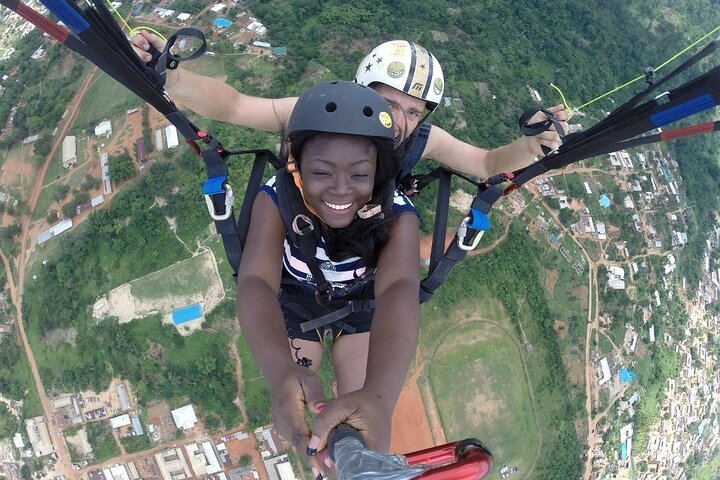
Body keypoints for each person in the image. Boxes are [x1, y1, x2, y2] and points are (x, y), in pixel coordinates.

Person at [235, 81, 420, 478]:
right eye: (321, 171)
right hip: (300, 299)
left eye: (359, 174)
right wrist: (280, 374)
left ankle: (342, 468)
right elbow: (255, 281)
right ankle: (327, 465)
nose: (340, 189)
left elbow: (399, 288)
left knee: (359, 415)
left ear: (377, 175)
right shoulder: (278, 197)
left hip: (362, 306)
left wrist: (380, 400)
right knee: (301, 399)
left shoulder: (397, 213)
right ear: (295, 169)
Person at [132, 35, 568, 180]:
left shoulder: (420, 140)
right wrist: (171, 75)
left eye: (414, 111)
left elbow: (488, 162)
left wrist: (531, 146)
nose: (400, 120)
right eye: (387, 102)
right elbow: (238, 106)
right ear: (361, 89)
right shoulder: (318, 109)